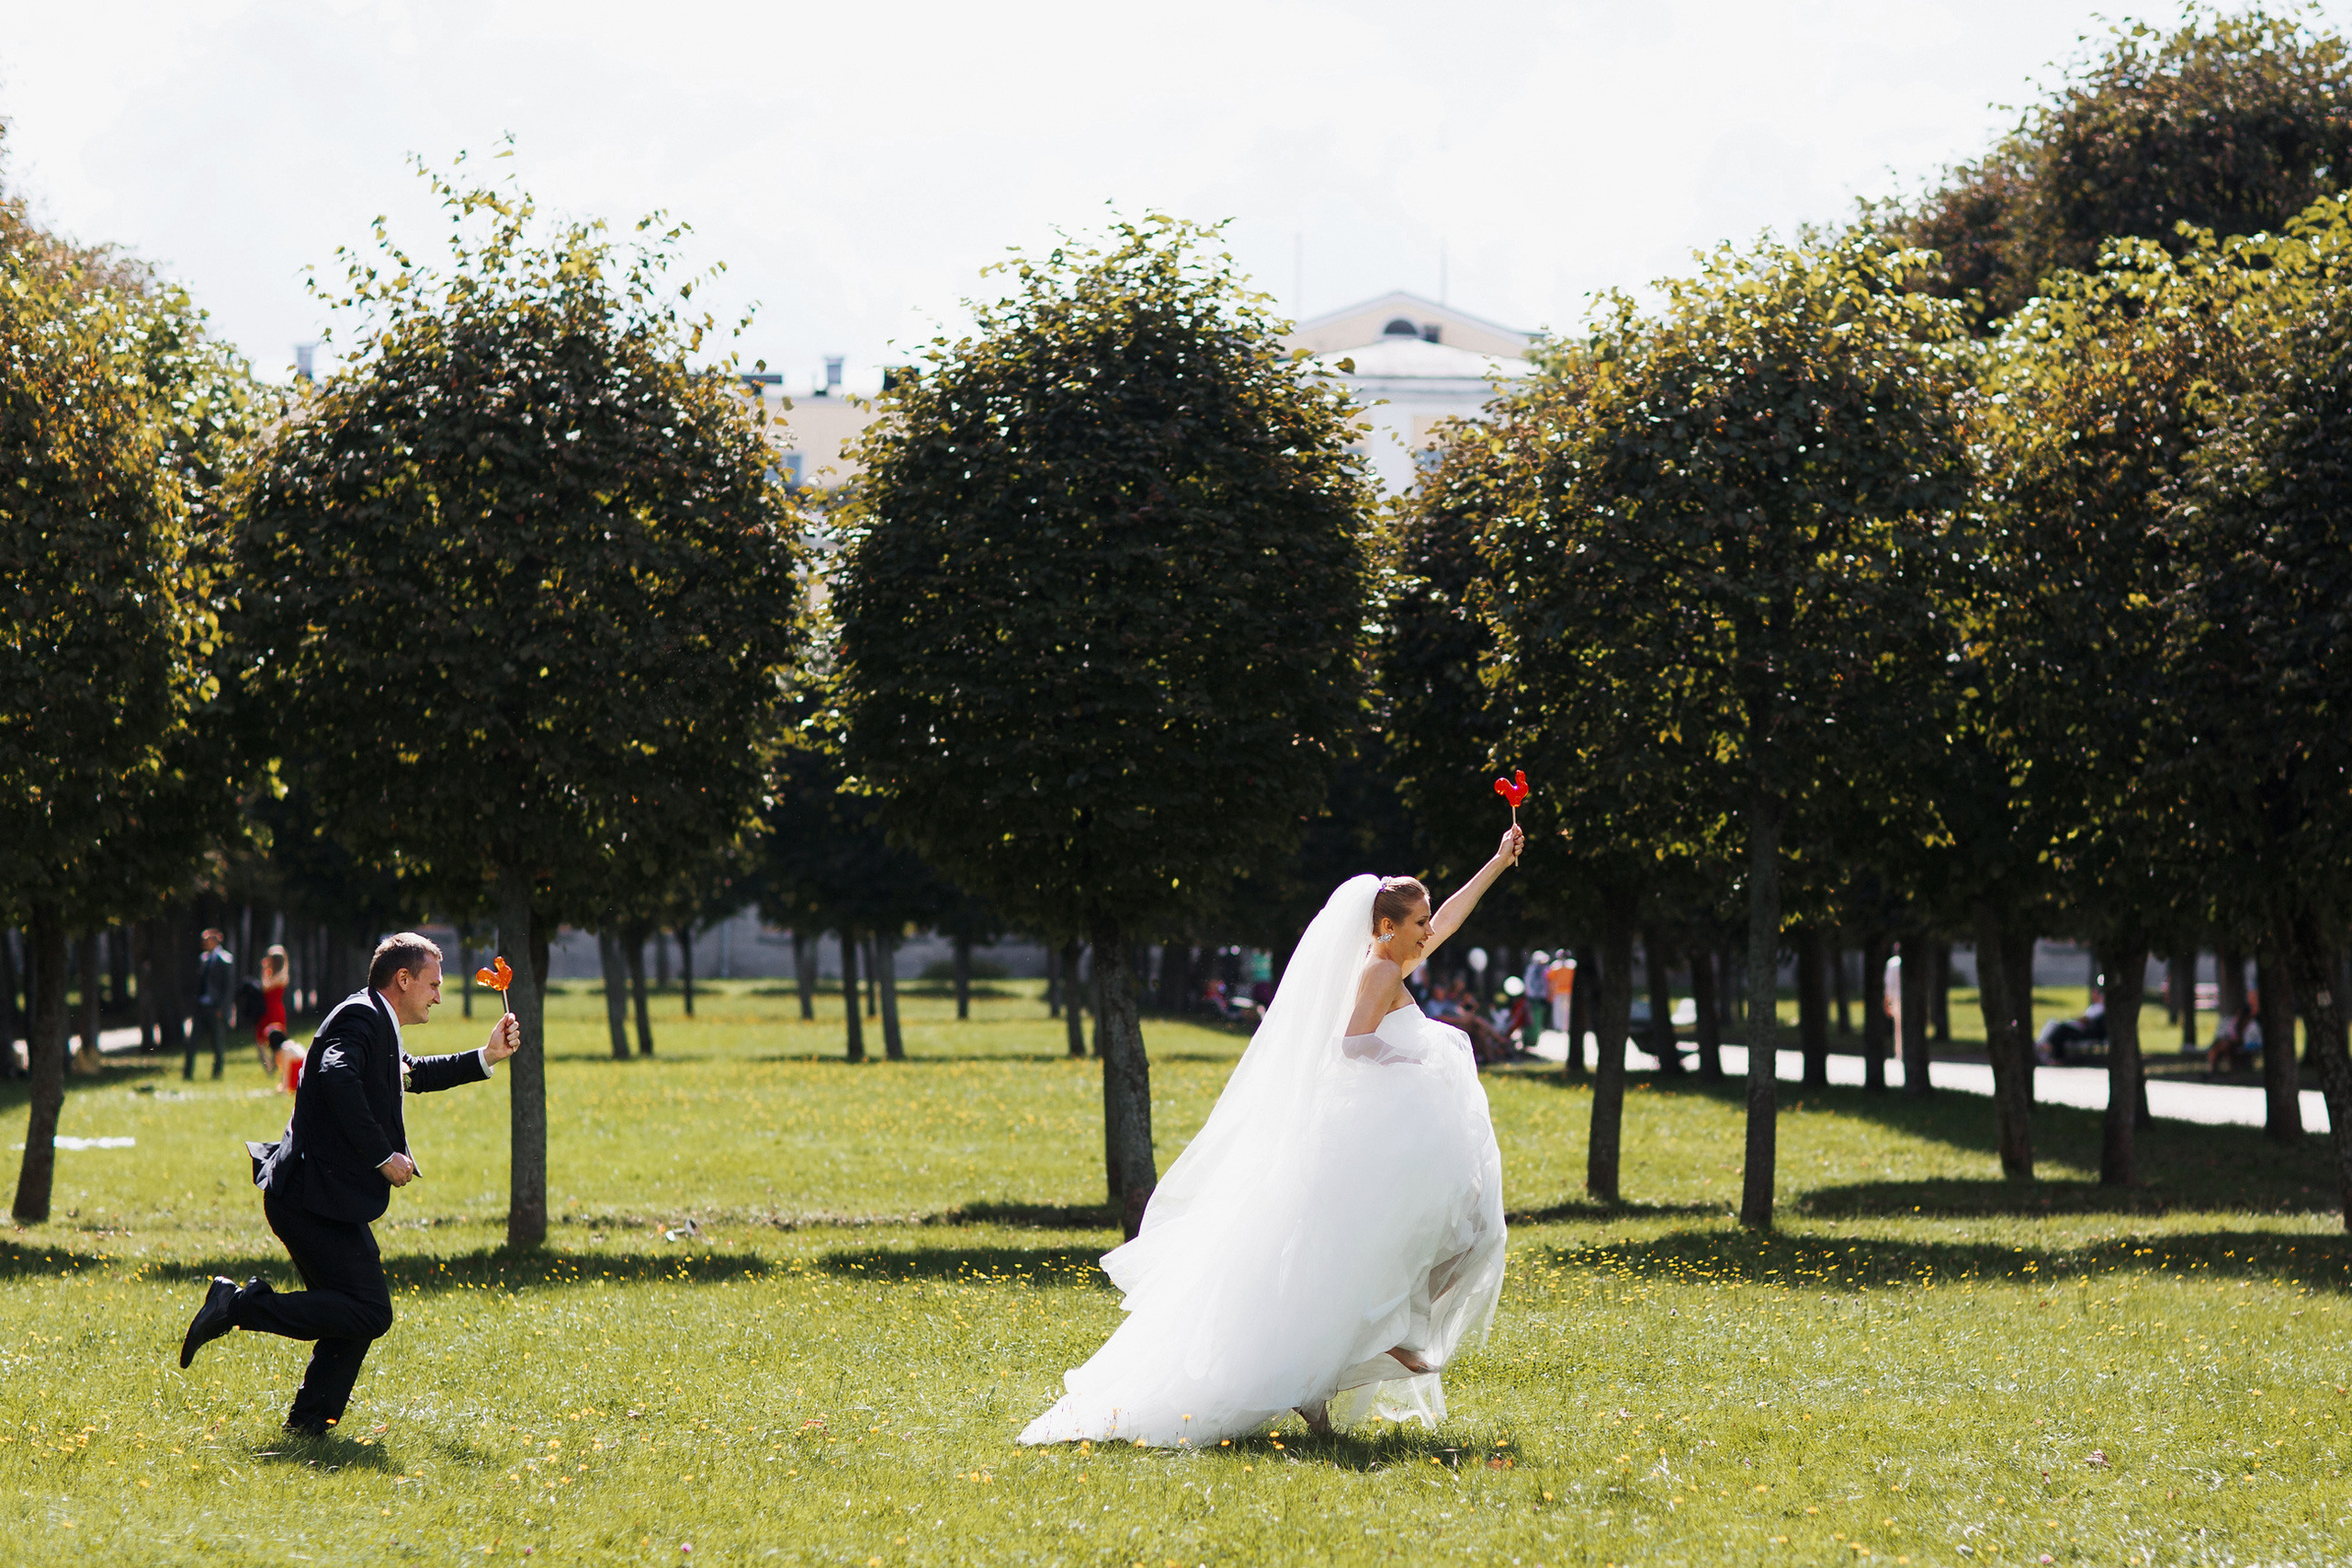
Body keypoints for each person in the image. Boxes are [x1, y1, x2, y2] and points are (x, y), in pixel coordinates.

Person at [1019, 825, 1522, 1448]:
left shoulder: (1395, 959)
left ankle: (1363, 1353)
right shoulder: (1378, 972)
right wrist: (1412, 1061)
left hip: (1388, 1128)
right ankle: (1367, 1348)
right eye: (1416, 920)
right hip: (1373, 1130)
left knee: (1454, 1231)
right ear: (1388, 926)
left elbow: (1448, 919)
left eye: (1424, 918)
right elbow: (1354, 1044)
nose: (1427, 929)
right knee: (1415, 1239)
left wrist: (1497, 862)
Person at [177, 932, 519, 1437]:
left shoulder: (378, 1022)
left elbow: (410, 1075)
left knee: (355, 1310)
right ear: (403, 980)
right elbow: (338, 1077)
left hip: (322, 1200)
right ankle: (237, 1306)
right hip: (307, 1200)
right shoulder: (359, 1018)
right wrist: (383, 1155)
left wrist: (486, 1056)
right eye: (433, 985)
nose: (439, 996)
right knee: (368, 1309)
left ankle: (310, 1422)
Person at [188, 928, 233, 1081]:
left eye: (207, 940)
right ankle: (187, 1073)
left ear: (215, 940)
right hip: (201, 1007)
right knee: (192, 1042)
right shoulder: (203, 959)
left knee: (217, 1043)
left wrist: (222, 1008)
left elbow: (228, 988)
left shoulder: (226, 959)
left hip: (215, 1008)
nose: (204, 943)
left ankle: (217, 1073)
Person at [254, 944, 290, 1072]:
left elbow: (266, 987)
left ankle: (275, 1065)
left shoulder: (281, 976)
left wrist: (264, 969)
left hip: (275, 1010)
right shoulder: (271, 973)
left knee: (276, 1040)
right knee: (260, 1039)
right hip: (266, 1009)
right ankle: (268, 1065)